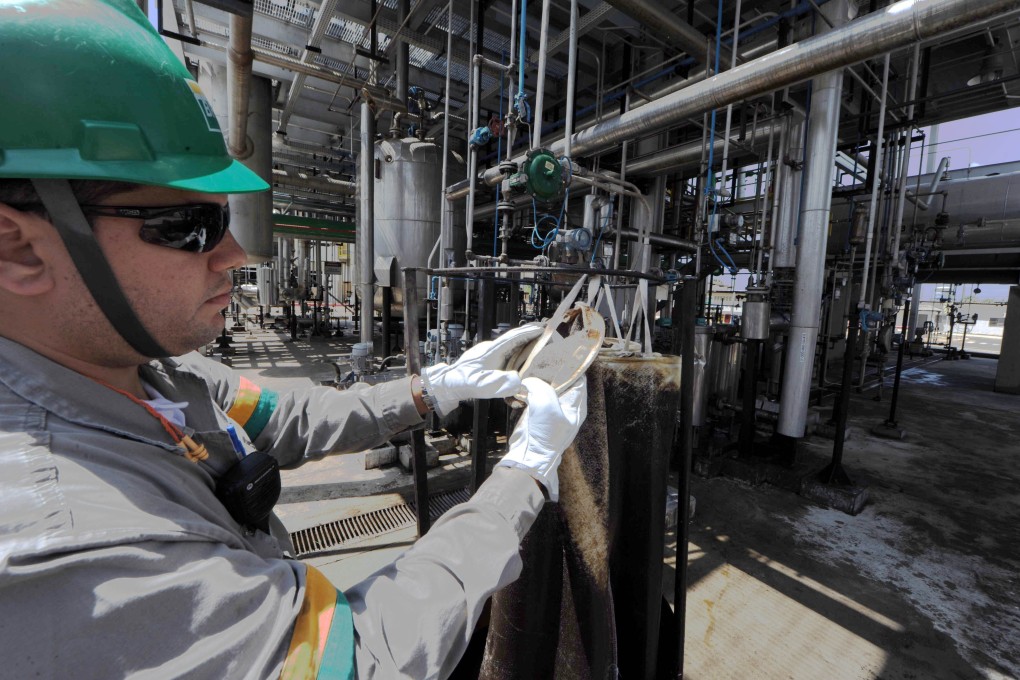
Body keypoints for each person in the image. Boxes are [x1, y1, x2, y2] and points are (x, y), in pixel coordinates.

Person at [0, 1, 587, 677]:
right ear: (19, 247)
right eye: (188, 225)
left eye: (225, 218)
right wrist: (524, 476)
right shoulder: (73, 551)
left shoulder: (150, 373)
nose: (235, 254)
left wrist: (438, 385)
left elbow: (293, 418)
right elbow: (362, 658)